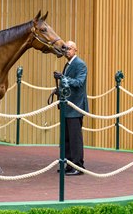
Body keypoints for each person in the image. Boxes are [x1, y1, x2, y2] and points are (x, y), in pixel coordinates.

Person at [53, 40, 89, 176]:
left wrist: (63, 78)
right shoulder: (68, 65)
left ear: (75, 50)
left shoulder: (80, 64)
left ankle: (78, 166)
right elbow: (67, 83)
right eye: (65, 48)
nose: (66, 51)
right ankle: (68, 164)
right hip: (67, 107)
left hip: (75, 106)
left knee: (75, 138)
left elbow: (79, 83)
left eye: (69, 48)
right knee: (66, 138)